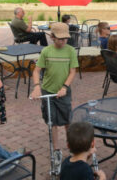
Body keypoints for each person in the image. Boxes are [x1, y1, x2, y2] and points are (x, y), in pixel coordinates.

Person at [31, 22, 79, 173]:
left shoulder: (70, 50)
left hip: (63, 92)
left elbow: (72, 72)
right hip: (48, 91)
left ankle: (72, 147)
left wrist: (64, 87)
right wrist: (37, 87)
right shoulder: (46, 51)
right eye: (60, 39)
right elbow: (36, 71)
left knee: (67, 121)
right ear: (52, 37)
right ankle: (57, 151)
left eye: (65, 38)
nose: (63, 41)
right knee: (52, 123)